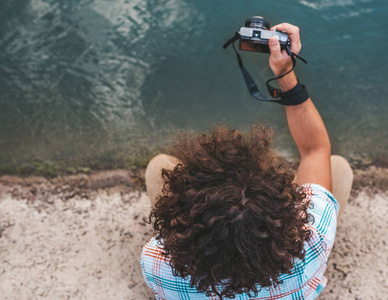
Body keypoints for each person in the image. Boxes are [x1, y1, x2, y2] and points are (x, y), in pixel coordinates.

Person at [140, 23, 353, 300]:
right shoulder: (313, 243)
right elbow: (315, 149)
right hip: (297, 283)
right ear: (284, 220)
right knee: (338, 169)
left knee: (159, 167)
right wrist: (285, 73)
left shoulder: (157, 262)